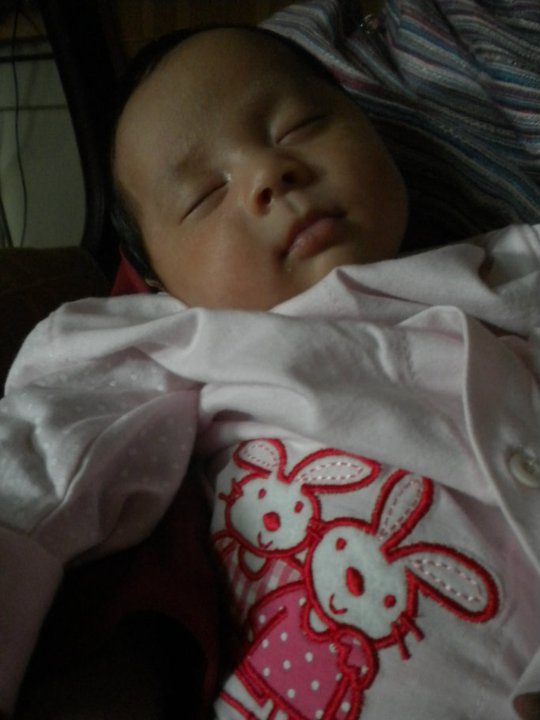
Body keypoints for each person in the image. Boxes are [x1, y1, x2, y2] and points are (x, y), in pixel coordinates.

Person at [1, 23, 539, 720]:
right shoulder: (177, 344)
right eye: (204, 194)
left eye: (300, 127)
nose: (269, 174)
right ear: (158, 281)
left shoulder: (513, 270)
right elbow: (36, 470)